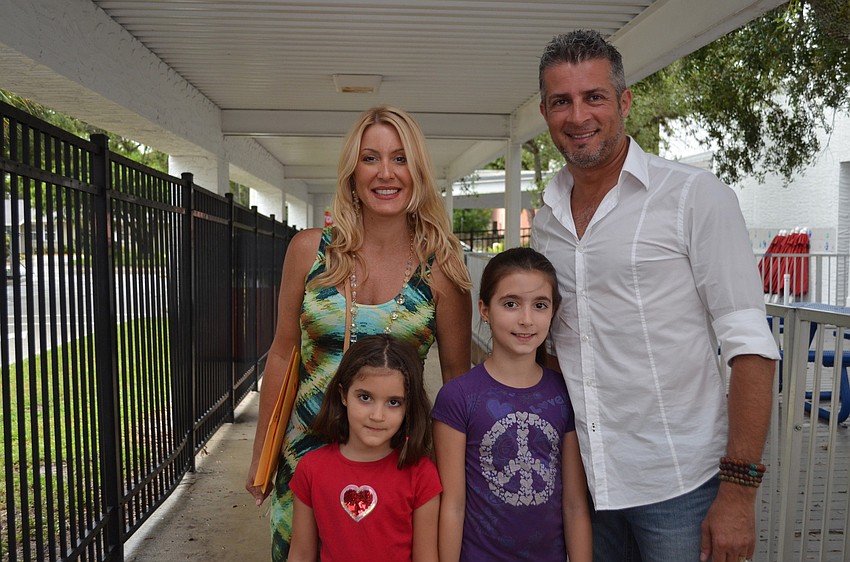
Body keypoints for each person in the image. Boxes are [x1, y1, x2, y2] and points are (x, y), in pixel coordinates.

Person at [531, 30, 780, 562]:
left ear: (624, 102)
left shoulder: (694, 196)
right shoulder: (547, 219)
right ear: (545, 112)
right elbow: (553, 349)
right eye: (562, 101)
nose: (578, 116)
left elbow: (751, 346)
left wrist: (739, 493)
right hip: (586, 484)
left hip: (680, 485)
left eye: (594, 96)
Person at [245, 105, 472, 560]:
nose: (386, 173)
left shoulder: (441, 271)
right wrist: (261, 456)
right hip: (304, 457)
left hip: (393, 467)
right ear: (352, 172)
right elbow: (282, 353)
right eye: (371, 158)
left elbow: (457, 384)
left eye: (400, 158)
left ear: (418, 171)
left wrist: (452, 482)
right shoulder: (309, 251)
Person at [432, 247, 592, 562]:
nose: (526, 319)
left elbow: (574, 505)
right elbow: (452, 505)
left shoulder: (564, 394)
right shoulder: (458, 397)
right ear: (484, 309)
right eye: (510, 304)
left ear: (553, 311)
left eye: (540, 305)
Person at [287, 334, 441, 562]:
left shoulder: (421, 475)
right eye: (365, 397)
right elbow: (301, 554)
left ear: (408, 407)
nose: (377, 416)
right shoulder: (311, 469)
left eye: (393, 402)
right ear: (343, 395)